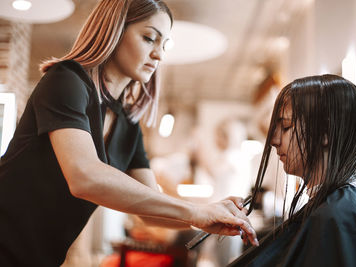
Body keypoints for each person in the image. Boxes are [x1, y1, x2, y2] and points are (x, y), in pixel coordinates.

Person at [0, 1, 258, 266]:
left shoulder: (128, 125)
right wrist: (195, 211)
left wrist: (209, 215)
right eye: (149, 38)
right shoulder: (66, 81)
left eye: (163, 45)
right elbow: (84, 177)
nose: (158, 55)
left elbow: (150, 212)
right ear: (114, 31)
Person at [229, 74, 356, 266]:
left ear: (325, 133)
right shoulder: (343, 209)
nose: (274, 141)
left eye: (285, 126)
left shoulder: (334, 217)